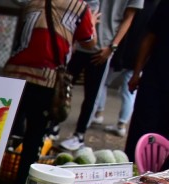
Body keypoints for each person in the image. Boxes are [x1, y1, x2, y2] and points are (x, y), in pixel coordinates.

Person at [2, 0, 97, 184]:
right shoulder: (79, 7)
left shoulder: (32, 1)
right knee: (34, 138)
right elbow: (90, 43)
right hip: (45, 79)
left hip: (13, 75)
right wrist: (92, 22)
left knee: (2, 131)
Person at [58, 0, 143, 151]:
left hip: (102, 47)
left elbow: (129, 17)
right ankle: (53, 126)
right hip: (78, 41)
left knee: (92, 95)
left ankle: (79, 135)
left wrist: (112, 47)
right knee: (63, 87)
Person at [90, 0, 157, 137]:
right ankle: (121, 124)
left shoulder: (137, 7)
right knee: (129, 92)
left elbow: (128, 26)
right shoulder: (155, 8)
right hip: (139, 56)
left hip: (124, 52)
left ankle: (99, 112)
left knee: (104, 83)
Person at [124, 0, 169, 160]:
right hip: (153, 83)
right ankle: (129, 177)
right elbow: (150, 37)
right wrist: (136, 73)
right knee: (139, 137)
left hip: (155, 82)